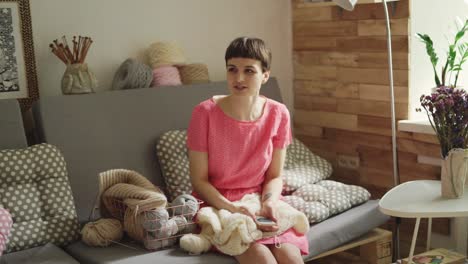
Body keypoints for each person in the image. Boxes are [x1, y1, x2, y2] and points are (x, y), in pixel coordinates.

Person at [187, 37, 307, 264]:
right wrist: (232, 207)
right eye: (232, 69)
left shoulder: (278, 113)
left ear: (265, 75)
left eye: (249, 71)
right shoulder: (204, 113)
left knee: (291, 258)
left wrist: (269, 203)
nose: (239, 78)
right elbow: (199, 181)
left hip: (259, 200)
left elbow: (274, 176)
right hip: (218, 202)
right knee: (264, 260)